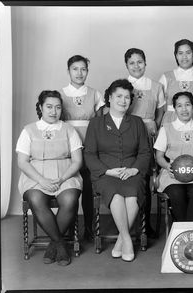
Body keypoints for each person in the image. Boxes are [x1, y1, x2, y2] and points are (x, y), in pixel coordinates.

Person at [84, 79, 151, 262]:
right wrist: (107, 171)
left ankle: (121, 240)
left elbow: (145, 152)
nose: (123, 101)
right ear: (110, 98)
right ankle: (127, 240)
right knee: (114, 192)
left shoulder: (137, 123)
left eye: (127, 97)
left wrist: (134, 170)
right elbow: (89, 154)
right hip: (106, 174)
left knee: (132, 191)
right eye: (119, 96)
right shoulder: (96, 123)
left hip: (132, 172)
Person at [16, 90, 83, 266]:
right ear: (40, 107)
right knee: (36, 198)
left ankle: (53, 245)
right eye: (49, 107)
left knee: (69, 198)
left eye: (58, 107)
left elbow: (77, 161)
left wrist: (61, 179)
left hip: (65, 172)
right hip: (36, 174)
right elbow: (22, 162)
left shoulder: (69, 130)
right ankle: (60, 245)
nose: (54, 111)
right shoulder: (28, 130)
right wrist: (41, 180)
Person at [59, 55, 104, 241]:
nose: (79, 73)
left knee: (88, 187)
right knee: (70, 186)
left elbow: (99, 122)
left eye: (83, 69)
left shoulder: (94, 93)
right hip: (67, 145)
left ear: (87, 71)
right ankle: (68, 229)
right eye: (75, 69)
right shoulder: (60, 94)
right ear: (68, 71)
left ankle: (90, 228)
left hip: (89, 144)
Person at [154, 91, 193, 221]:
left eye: (187, 105)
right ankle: (181, 229)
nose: (184, 109)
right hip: (171, 172)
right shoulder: (166, 128)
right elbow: (159, 156)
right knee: (176, 193)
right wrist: (168, 166)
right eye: (179, 106)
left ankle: (191, 228)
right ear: (174, 109)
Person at [125, 48, 166, 237]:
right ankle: (128, 223)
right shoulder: (121, 85)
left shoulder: (156, 86)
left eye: (140, 62)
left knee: (147, 178)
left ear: (145, 63)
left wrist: (153, 127)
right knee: (131, 176)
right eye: (132, 62)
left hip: (148, 134)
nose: (136, 66)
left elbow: (160, 112)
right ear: (126, 65)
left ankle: (145, 224)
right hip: (127, 133)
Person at [159, 39, 193, 124]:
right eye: (180, 53)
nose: (184, 57)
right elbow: (159, 106)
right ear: (176, 56)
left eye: (188, 53)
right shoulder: (166, 77)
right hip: (171, 120)